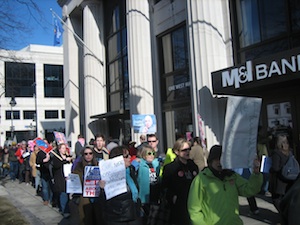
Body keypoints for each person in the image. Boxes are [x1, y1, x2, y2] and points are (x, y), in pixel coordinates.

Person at [188, 145, 263, 225]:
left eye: (222, 159)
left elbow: (249, 190)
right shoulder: (201, 180)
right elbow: (194, 210)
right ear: (210, 161)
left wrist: (256, 173)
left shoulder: (232, 176)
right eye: (216, 159)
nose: (220, 162)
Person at [101, 146, 142, 225]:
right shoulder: (109, 175)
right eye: (126, 156)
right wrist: (102, 189)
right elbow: (104, 202)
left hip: (134, 214)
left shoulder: (130, 171)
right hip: (118, 217)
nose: (130, 157)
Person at [162, 138, 199, 225]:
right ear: (177, 151)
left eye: (189, 149)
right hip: (179, 206)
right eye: (184, 150)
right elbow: (164, 187)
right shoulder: (170, 168)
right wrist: (173, 197)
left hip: (193, 202)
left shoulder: (192, 165)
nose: (187, 152)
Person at [72, 145, 103, 225]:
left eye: (90, 153)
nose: (88, 155)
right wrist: (71, 179)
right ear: (83, 155)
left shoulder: (98, 165)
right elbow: (75, 178)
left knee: (98, 217)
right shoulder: (78, 166)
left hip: (97, 196)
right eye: (86, 154)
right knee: (86, 218)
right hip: (85, 196)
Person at [269, 134, 295, 212]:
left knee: (276, 199)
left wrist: (269, 169)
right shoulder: (290, 152)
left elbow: (275, 168)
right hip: (289, 179)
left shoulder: (276, 153)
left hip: (279, 181)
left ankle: (284, 215)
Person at [137, 145, 160, 223]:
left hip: (155, 192)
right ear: (144, 154)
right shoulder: (140, 165)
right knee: (145, 217)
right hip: (144, 194)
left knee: (154, 217)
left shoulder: (156, 164)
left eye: (153, 153)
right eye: (149, 153)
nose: (151, 156)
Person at [52, 143, 73, 217]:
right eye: (63, 148)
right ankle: (64, 211)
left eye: (65, 148)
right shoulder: (56, 157)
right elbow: (56, 165)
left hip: (68, 178)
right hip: (60, 178)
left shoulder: (68, 156)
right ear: (59, 149)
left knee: (68, 194)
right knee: (63, 194)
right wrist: (64, 160)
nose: (64, 150)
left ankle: (67, 209)